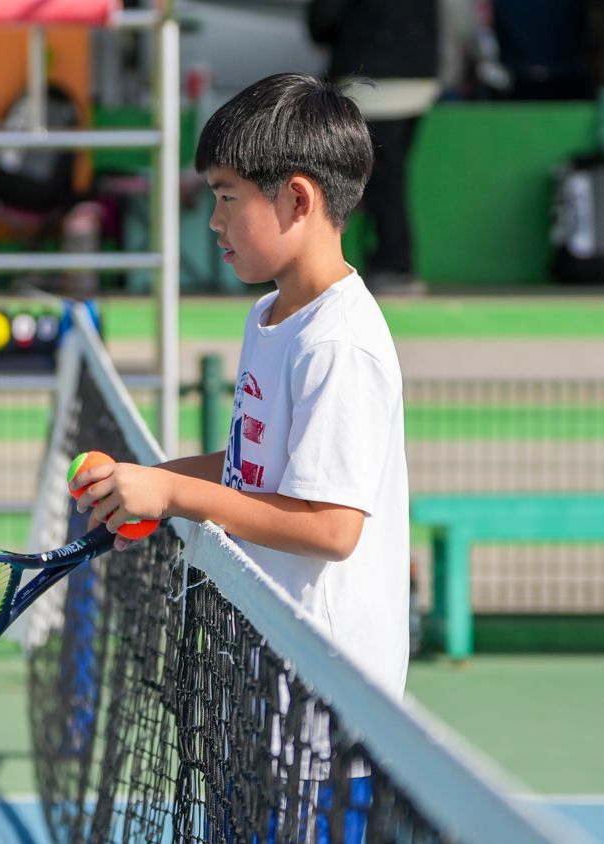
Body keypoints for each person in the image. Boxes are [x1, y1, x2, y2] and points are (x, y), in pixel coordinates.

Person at [69, 73, 411, 697]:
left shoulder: (337, 343)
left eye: (228, 197)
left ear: (298, 200)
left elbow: (330, 528)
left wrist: (171, 492)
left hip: (327, 700)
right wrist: (146, 483)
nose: (213, 221)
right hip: (264, 668)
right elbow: (262, 470)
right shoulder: (271, 315)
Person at [308, 0, 439, 294]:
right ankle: (389, 261)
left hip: (368, 75)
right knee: (389, 176)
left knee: (374, 179)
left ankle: (392, 264)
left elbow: (323, 18)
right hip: (419, 75)